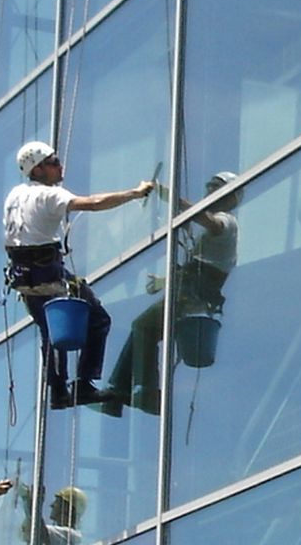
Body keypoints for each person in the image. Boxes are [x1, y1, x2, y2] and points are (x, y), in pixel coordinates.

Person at [6, 140, 156, 410]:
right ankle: (84, 384)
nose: (60, 165)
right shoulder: (48, 196)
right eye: (53, 162)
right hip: (48, 278)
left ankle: (59, 391)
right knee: (97, 319)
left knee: (50, 332)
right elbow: (94, 203)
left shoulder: (15, 195)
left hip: (26, 281)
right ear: (38, 171)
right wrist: (135, 193)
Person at [99, 172, 239, 417]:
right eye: (209, 186)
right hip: (189, 293)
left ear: (231, 197)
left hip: (192, 296)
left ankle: (140, 391)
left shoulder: (226, 222)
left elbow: (209, 224)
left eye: (215, 187)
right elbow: (195, 270)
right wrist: (164, 282)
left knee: (143, 326)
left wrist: (168, 196)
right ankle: (119, 393)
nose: (209, 191)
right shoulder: (210, 234)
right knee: (143, 327)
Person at [19, 485, 89, 544]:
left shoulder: (72, 536)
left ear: (66, 507)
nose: (52, 505)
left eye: (57, 501)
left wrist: (31, 503)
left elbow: (41, 532)